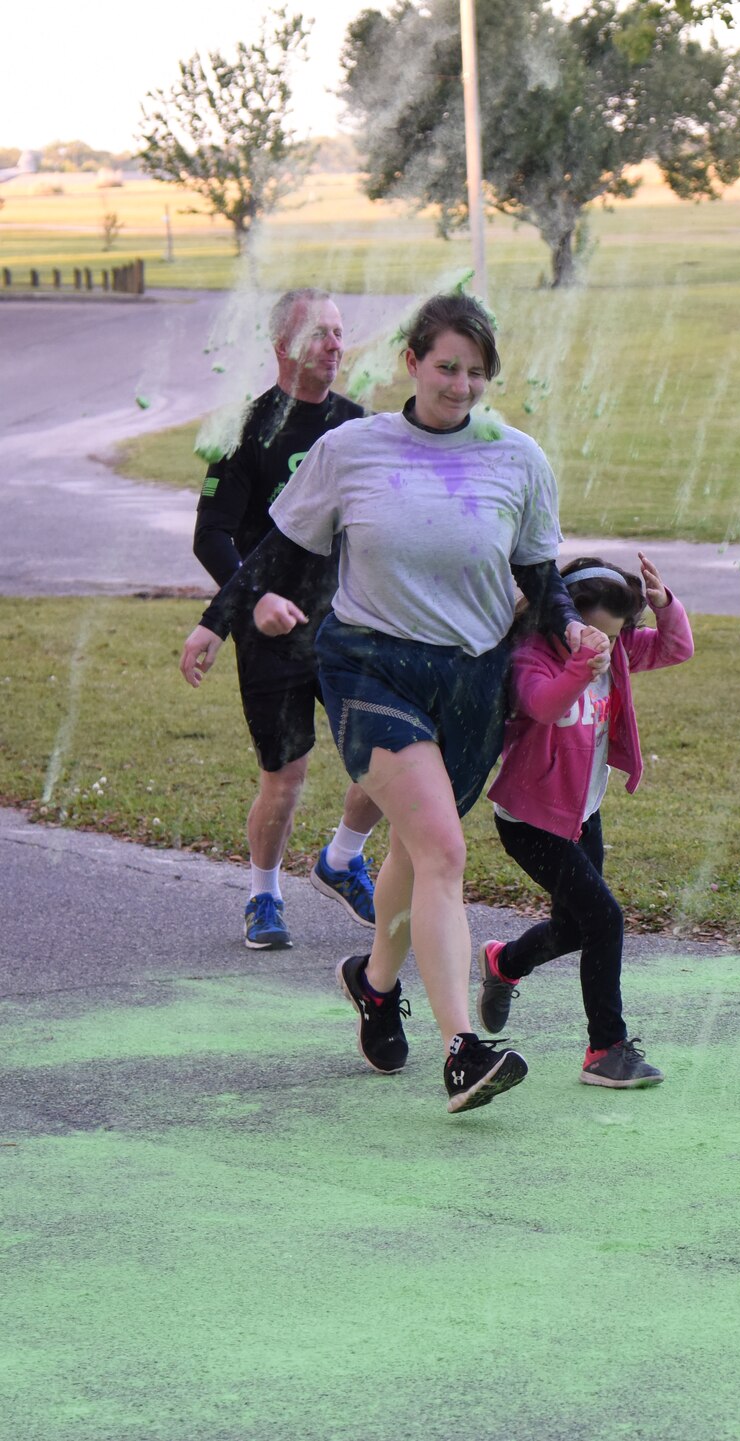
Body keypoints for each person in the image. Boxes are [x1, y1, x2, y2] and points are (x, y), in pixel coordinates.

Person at [187, 292, 595, 1114]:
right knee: (443, 848)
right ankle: (462, 1049)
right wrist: (215, 623)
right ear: (412, 363)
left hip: (472, 681)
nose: (461, 384)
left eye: (477, 372)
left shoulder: (518, 459)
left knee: (416, 854)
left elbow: (540, 578)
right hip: (371, 669)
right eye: (447, 367)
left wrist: (573, 627)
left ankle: (374, 986)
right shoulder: (354, 449)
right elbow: (273, 547)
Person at [179, 288, 383, 950]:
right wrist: (252, 601)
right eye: (319, 333)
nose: (333, 345)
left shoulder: (359, 428)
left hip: (348, 627)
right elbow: (212, 536)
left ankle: (344, 856)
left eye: (338, 331)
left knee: (391, 757)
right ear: (282, 348)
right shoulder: (247, 429)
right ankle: (263, 893)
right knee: (285, 778)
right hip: (270, 634)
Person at [479, 552, 695, 1088]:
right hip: (530, 821)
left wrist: (663, 603)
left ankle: (505, 962)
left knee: (577, 927)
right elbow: (543, 705)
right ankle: (606, 1049)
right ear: (564, 617)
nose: (606, 646)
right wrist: (581, 665)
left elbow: (676, 648)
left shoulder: (615, 648)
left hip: (583, 812)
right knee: (604, 919)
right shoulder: (532, 653)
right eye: (594, 634)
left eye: (614, 637)